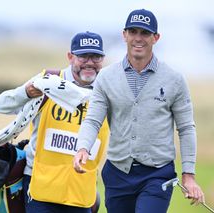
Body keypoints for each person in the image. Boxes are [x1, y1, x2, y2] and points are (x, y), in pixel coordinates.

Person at [73, 9, 205, 213]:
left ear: (156, 38)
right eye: (133, 32)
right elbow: (92, 120)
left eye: (144, 33)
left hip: (157, 174)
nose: (138, 38)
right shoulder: (106, 77)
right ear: (124, 35)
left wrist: (189, 175)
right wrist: (83, 148)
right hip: (118, 172)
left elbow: (186, 128)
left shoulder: (174, 80)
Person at [0, 31, 109, 213]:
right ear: (70, 57)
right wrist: (26, 92)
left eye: (95, 57)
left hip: (81, 193)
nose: (89, 62)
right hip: (40, 187)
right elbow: (1, 105)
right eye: (83, 56)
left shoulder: (108, 90)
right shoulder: (48, 81)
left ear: (103, 59)